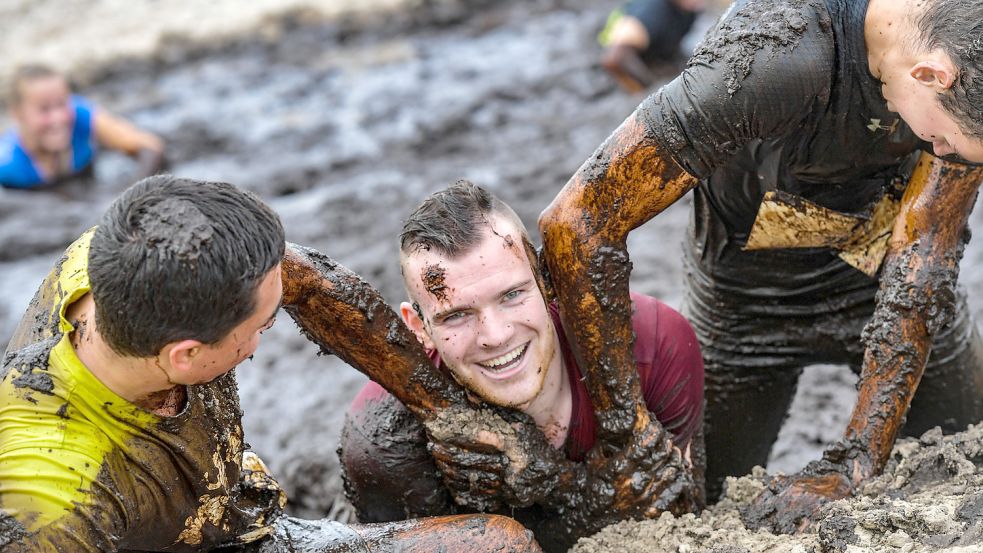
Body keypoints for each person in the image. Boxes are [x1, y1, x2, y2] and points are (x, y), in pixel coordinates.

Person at [539, 0, 983, 533]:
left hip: (879, 274)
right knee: (689, 505)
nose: (937, 150)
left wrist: (859, 457)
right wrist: (625, 426)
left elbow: (927, 252)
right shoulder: (773, 57)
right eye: (942, 143)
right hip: (746, 305)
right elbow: (578, 221)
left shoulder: (966, 42)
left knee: (963, 462)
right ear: (931, 74)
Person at [0, 175, 542, 552]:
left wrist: (450, 415)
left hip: (243, 523)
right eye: (262, 327)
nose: (267, 336)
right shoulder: (49, 502)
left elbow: (312, 283)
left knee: (498, 544)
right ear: (187, 356)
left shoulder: (134, 250)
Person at [338, 181, 705, 552]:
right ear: (420, 328)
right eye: (457, 316)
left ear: (547, 282)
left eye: (512, 295)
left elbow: (682, 512)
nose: (495, 335)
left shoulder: (655, 346)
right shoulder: (383, 437)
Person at [0, 64, 165, 190]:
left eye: (62, 103)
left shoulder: (81, 115)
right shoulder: (7, 165)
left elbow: (150, 146)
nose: (58, 118)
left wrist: (128, 199)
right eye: (45, 109)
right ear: (17, 114)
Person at [598, 0, 709, 92]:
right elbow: (615, 57)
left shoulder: (689, 12)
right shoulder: (654, 9)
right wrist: (649, 89)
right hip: (606, 76)